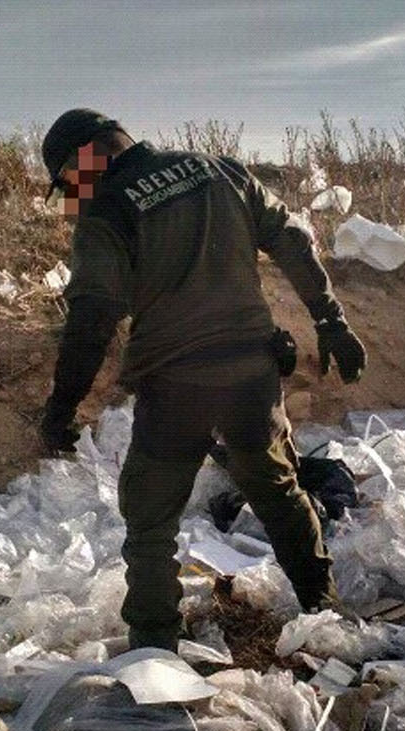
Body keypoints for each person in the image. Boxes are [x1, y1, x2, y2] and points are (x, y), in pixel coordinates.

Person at [38, 108, 367, 652]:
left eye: (69, 182)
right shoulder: (222, 170)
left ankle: (153, 655)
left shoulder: (106, 211)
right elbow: (293, 241)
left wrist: (60, 411)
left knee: (149, 525)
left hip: (174, 392)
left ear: (87, 159)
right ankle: (325, 615)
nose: (72, 195)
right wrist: (331, 319)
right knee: (281, 494)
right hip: (250, 378)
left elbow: (91, 320)